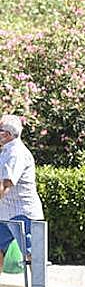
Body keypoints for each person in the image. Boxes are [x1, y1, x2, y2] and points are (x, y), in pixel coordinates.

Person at [0, 114, 43, 265]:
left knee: (33, 257)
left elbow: (5, 185)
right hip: (6, 213)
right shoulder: (6, 151)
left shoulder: (15, 153)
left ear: (7, 134)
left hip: (22, 214)